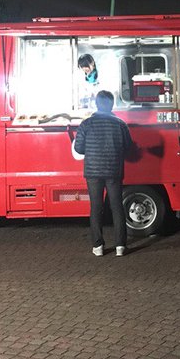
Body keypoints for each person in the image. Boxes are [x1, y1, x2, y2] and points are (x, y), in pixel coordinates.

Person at [73, 90, 133, 257]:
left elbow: (79, 148)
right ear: (112, 105)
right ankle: (120, 246)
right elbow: (128, 146)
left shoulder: (86, 124)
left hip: (93, 171)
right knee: (117, 207)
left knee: (96, 208)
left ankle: (98, 246)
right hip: (114, 170)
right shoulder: (120, 124)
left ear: (96, 104)